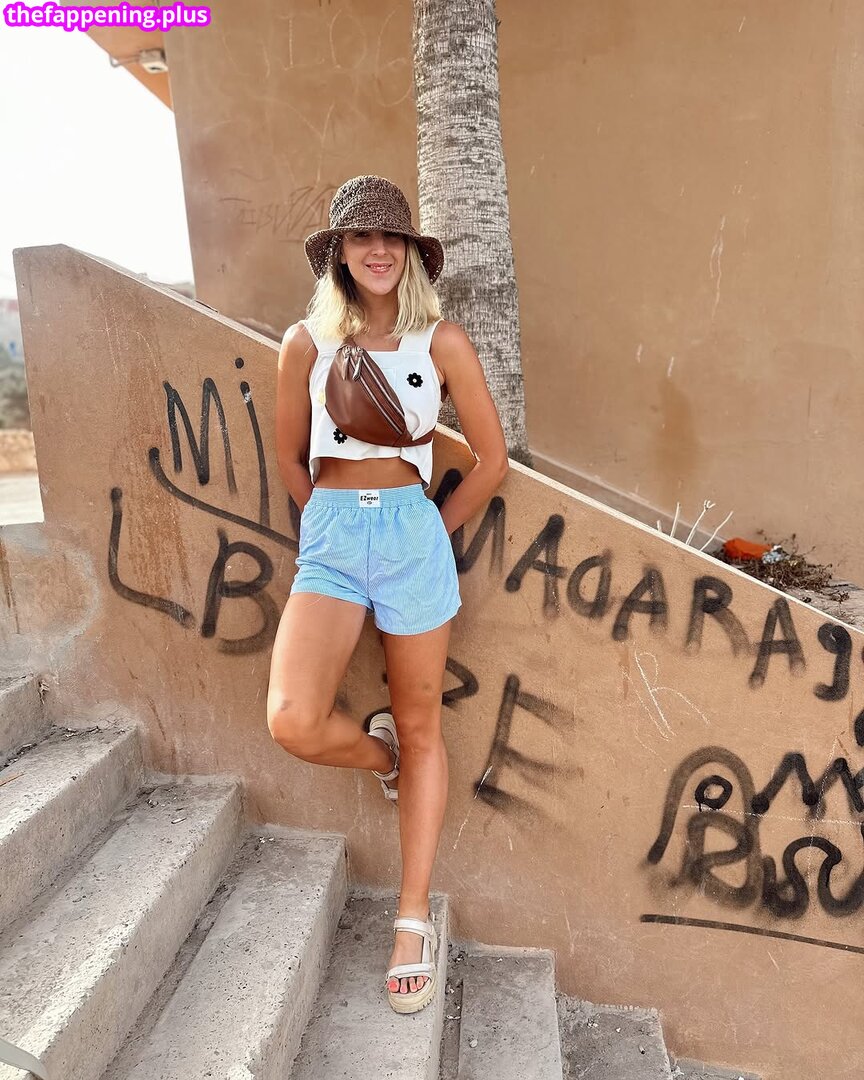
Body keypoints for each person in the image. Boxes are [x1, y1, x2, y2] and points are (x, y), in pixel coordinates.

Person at [267, 175, 508, 1014]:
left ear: (409, 252)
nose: (377, 249)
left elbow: (491, 461)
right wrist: (325, 524)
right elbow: (290, 456)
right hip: (333, 538)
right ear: (339, 252)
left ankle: (411, 920)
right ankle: (385, 761)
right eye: (361, 236)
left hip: (412, 530)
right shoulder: (305, 343)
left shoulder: (442, 342)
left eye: (391, 237)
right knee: (294, 719)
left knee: (424, 723)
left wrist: (432, 529)